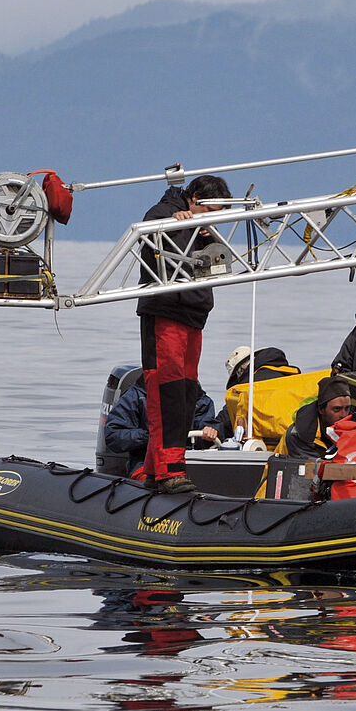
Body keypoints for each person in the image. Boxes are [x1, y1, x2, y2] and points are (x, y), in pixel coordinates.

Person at [136, 173, 232, 493]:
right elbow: (161, 255)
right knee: (168, 394)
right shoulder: (161, 215)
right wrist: (187, 226)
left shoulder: (207, 229)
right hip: (165, 315)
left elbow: (219, 265)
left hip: (193, 317)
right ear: (193, 200)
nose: (214, 219)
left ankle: (154, 469)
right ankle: (171, 471)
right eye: (211, 212)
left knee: (186, 394)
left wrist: (206, 232)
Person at [104, 380, 222, 477]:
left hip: (190, 463)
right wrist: (151, 435)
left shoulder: (199, 399)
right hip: (146, 463)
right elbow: (114, 434)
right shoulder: (137, 396)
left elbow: (208, 424)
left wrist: (210, 432)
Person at [279, 376, 355, 461]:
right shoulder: (298, 435)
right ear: (321, 410)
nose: (343, 415)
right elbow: (313, 469)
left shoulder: (355, 425)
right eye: (337, 409)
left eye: (347, 408)